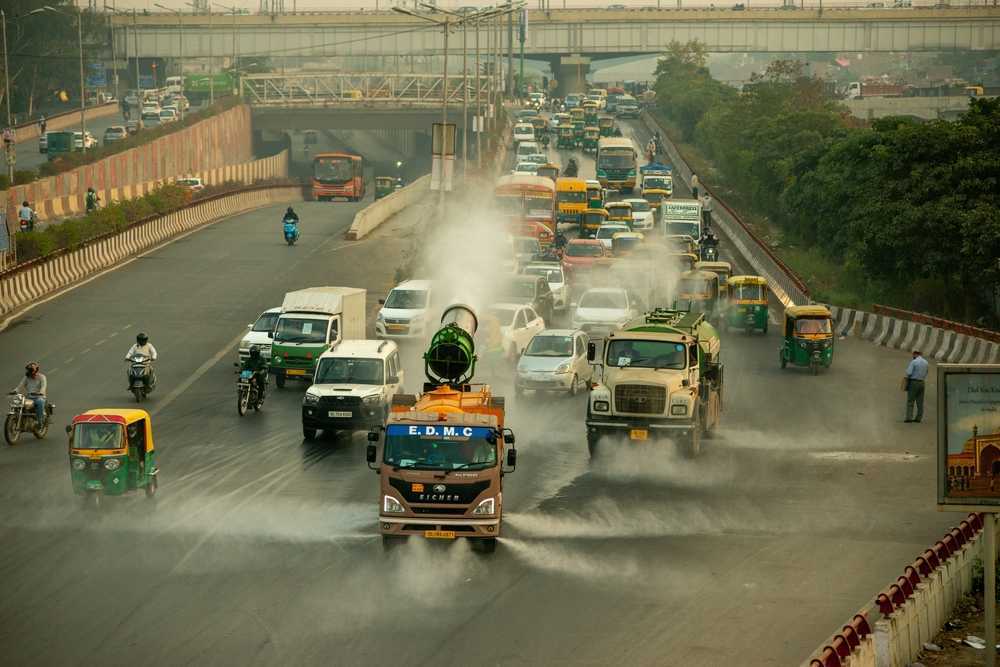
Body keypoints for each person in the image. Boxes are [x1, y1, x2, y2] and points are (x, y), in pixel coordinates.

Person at [13, 362, 47, 427]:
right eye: (28, 370)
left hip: (39, 397)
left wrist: (41, 392)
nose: (29, 372)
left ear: (36, 370)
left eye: (31, 370)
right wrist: (15, 390)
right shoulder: (27, 377)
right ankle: (19, 419)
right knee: (19, 403)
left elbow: (43, 387)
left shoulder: (42, 377)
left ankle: (40, 422)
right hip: (29, 397)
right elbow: (20, 385)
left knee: (40, 402)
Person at [904, 349, 929, 423]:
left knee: (910, 401)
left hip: (914, 382)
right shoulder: (926, 362)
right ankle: (918, 418)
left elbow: (909, 372)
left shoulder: (914, 362)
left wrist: (906, 382)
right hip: (922, 383)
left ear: (915, 354)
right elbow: (926, 372)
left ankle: (909, 418)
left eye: (913, 354)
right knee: (920, 402)